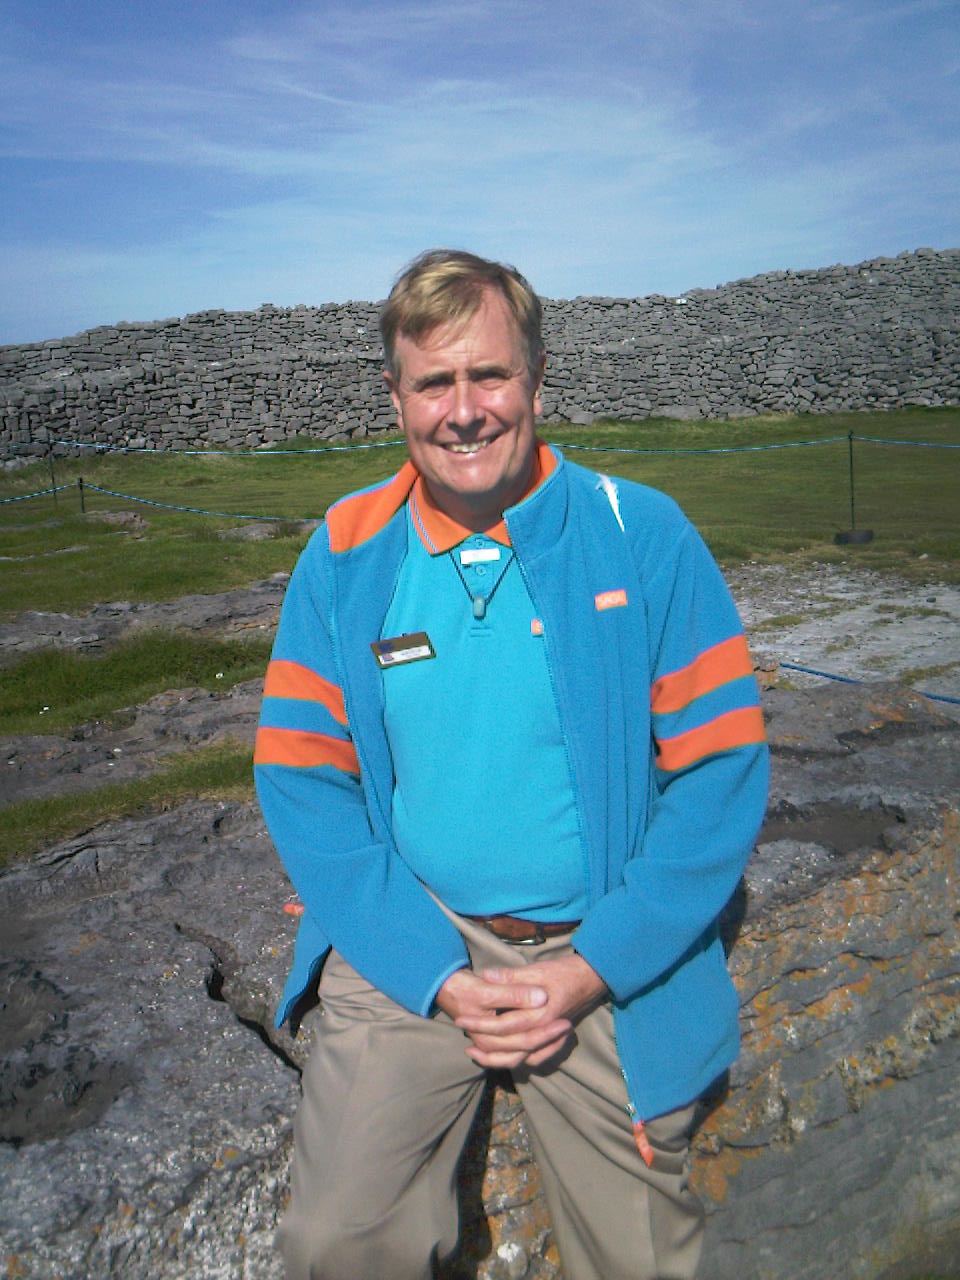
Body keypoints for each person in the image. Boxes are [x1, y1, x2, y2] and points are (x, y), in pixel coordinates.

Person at [254, 249, 769, 1280]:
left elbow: (719, 773)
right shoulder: (347, 549)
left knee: (646, 1262)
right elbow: (304, 777)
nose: (465, 409)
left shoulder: (643, 533)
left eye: (488, 374)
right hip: (417, 935)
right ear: (394, 395)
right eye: (433, 381)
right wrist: (438, 973)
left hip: (601, 944)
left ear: (537, 378)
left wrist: (590, 966)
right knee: (338, 1244)